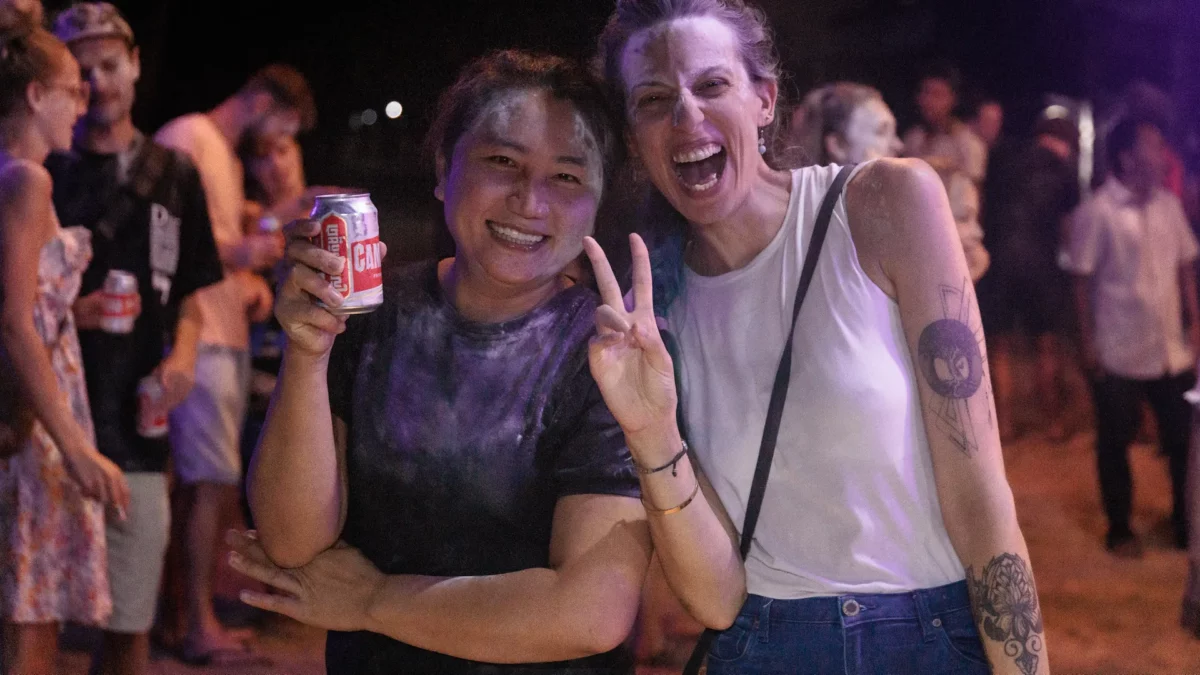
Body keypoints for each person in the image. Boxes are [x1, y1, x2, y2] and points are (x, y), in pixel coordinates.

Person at [591, 1, 1047, 673]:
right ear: (633, 135)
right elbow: (715, 600)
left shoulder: (888, 206)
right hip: (767, 643)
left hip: (932, 635)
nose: (687, 117)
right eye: (654, 100)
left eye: (712, 85)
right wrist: (651, 431)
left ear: (765, 99)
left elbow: (981, 499)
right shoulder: (653, 315)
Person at [227, 50, 651, 674]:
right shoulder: (371, 315)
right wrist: (308, 350)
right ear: (440, 169)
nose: (529, 202)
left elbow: (589, 612)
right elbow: (292, 542)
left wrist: (370, 601)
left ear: (597, 199)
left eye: (565, 177)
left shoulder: (610, 355)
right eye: (501, 162)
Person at [46, 5, 225, 673]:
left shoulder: (174, 173)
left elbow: (188, 296)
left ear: (136, 63)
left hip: (137, 427)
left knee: (130, 624)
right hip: (48, 422)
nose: (99, 82)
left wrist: (181, 358)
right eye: (82, 71)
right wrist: (71, 311)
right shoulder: (43, 169)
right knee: (34, 623)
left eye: (110, 65)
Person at [153, 63, 313, 664]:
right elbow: (169, 238)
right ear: (263, 101)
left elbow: (210, 238)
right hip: (201, 340)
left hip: (222, 335)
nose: (276, 149)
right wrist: (249, 251)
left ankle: (183, 618)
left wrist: (246, 271)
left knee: (206, 487)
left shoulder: (217, 151)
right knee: (207, 485)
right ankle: (198, 625)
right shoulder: (190, 137)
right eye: (280, 131)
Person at [0, 23, 129, 675]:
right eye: (72, 92)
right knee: (32, 612)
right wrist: (77, 446)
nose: (82, 106)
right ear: (33, 95)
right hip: (36, 419)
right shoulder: (27, 179)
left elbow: (27, 302)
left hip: (31, 403)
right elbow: (13, 320)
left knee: (25, 605)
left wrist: (76, 310)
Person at [1061, 117, 1199, 558]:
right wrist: (1087, 344)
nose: (1163, 157)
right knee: (1115, 441)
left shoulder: (1168, 206)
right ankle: (1120, 527)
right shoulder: (1098, 211)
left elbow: (1184, 269)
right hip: (1119, 348)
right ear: (1126, 156)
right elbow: (1080, 282)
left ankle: (1184, 522)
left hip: (1169, 352)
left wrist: (1195, 325)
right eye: (1154, 147)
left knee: (1182, 443)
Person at [794, 81, 989, 280]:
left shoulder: (881, 234)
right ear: (837, 145)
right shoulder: (802, 233)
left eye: (894, 133)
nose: (898, 145)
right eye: (881, 132)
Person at [978, 117, 1080, 442]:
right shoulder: (1064, 171)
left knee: (1000, 347)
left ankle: (1005, 424)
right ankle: (1053, 423)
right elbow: (1068, 230)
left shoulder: (1003, 157)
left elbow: (983, 205)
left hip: (998, 259)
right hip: (1041, 264)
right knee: (1046, 344)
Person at [903, 61, 988, 185]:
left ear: (953, 99)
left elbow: (971, 196)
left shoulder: (968, 144)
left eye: (937, 95)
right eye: (925, 92)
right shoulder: (912, 138)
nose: (928, 101)